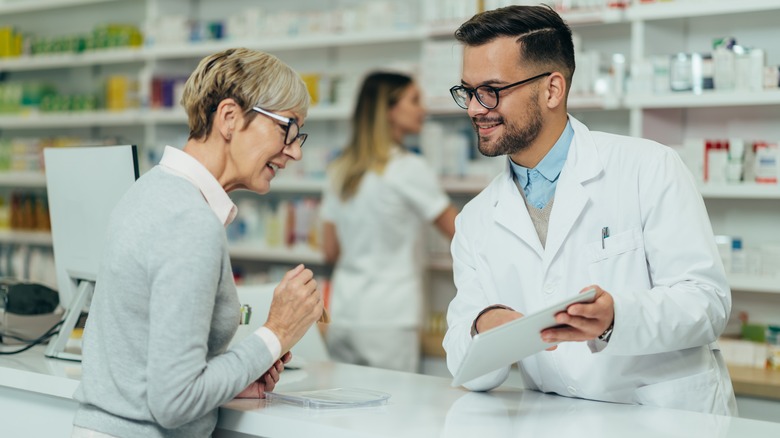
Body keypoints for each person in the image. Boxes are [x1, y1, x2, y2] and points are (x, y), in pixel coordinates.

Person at [443, 5, 737, 416]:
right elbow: (466, 369)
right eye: (468, 91)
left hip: (666, 418)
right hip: (560, 421)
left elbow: (707, 304)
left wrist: (616, 316)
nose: (475, 108)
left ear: (552, 89)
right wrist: (484, 326)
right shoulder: (475, 219)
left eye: (491, 90)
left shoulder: (647, 167)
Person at [71, 48, 324, 437]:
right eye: (286, 127)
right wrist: (276, 333)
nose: (295, 150)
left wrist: (227, 383)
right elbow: (173, 402)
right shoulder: (190, 221)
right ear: (229, 117)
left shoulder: (150, 190)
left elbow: (146, 365)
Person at [321, 71, 457, 373]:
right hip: (389, 320)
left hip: (344, 314)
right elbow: (460, 233)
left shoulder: (339, 169)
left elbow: (329, 251)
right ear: (388, 110)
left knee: (343, 413)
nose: (423, 109)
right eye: (414, 100)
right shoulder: (408, 168)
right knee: (391, 414)